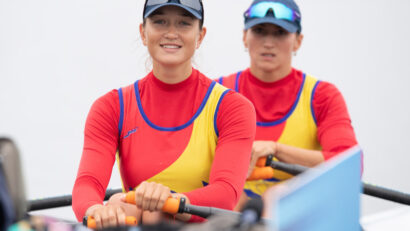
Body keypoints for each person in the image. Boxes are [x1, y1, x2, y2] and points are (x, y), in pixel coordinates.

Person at [72, 0, 256, 228]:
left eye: (184, 24)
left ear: (200, 36)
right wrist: (95, 209)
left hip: (203, 226)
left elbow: (226, 195)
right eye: (160, 22)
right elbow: (87, 184)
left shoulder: (232, 108)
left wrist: (168, 200)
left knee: (134, 206)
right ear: (143, 32)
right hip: (143, 221)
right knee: (122, 205)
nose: (171, 33)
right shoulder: (110, 107)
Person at [217, 0, 359, 209]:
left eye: (280, 33)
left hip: (297, 214)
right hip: (234, 210)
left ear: (298, 41)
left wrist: (276, 149)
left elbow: (349, 166)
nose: (268, 42)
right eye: (259, 31)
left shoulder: (322, 96)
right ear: (244, 37)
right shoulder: (219, 93)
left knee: (277, 196)